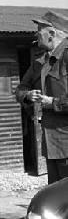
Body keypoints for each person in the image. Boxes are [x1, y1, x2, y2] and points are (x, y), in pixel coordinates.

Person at [16, 11, 68, 184]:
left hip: (66, 140)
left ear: (52, 34)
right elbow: (20, 90)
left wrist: (53, 103)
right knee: (55, 194)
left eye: (40, 29)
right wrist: (28, 95)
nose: (36, 34)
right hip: (51, 143)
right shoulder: (39, 63)